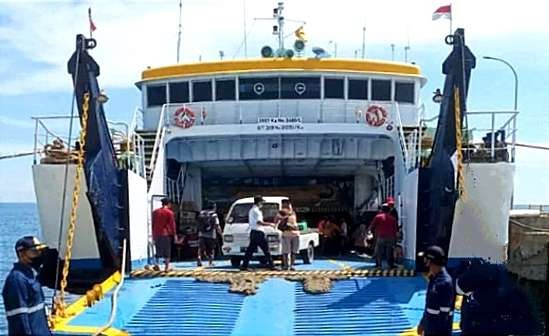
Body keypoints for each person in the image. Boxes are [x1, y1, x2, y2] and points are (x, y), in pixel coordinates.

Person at [2, 236, 51, 336]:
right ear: (22, 254)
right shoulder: (17, 280)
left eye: (40, 252)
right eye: (35, 252)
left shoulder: (30, 274)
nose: (39, 255)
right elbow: (19, 319)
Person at [417, 245, 455, 336]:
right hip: (430, 329)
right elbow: (429, 307)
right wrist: (423, 324)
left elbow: (444, 316)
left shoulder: (444, 283)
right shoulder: (434, 278)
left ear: (430, 261)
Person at [240, 196, 277, 271]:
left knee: (250, 250)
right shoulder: (257, 211)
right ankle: (272, 266)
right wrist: (270, 224)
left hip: (253, 232)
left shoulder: (251, 210)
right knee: (266, 250)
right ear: (259, 202)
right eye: (262, 203)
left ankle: (244, 266)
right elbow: (259, 222)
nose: (262, 204)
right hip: (259, 232)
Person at [368, 203, 398, 268]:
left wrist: (369, 233)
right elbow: (395, 229)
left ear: (382, 209)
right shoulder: (393, 218)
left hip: (381, 237)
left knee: (379, 251)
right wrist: (395, 238)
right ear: (389, 210)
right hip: (390, 237)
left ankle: (378, 264)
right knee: (389, 251)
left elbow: (372, 226)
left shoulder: (378, 217)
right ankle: (390, 264)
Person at [152, 197, 177, 271]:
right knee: (167, 251)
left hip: (156, 233)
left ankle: (156, 264)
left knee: (158, 249)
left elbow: (153, 223)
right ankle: (166, 267)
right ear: (169, 204)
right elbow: (172, 225)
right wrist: (174, 235)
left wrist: (153, 233)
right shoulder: (169, 213)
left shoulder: (155, 212)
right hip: (165, 234)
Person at [197, 201, 222, 267]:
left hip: (201, 234)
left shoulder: (201, 213)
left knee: (200, 248)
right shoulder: (214, 215)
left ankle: (199, 257)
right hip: (211, 235)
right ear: (214, 207)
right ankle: (210, 262)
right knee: (211, 249)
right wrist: (221, 234)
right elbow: (217, 225)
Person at [277, 200, 299, 270]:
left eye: (289, 204)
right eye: (287, 204)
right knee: (286, 251)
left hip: (295, 234)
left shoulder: (293, 213)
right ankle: (286, 265)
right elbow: (278, 220)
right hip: (286, 234)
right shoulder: (281, 212)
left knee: (294, 251)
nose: (289, 206)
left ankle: (292, 265)